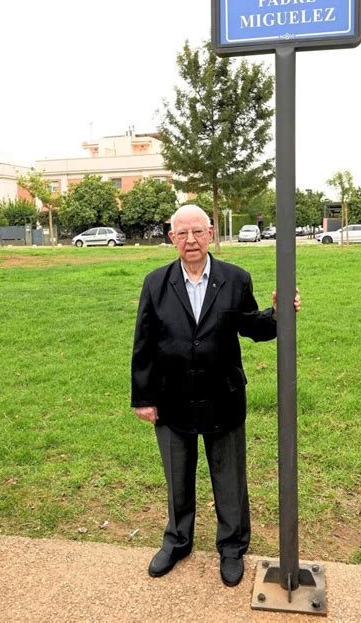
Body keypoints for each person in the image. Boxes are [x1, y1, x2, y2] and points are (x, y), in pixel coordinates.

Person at [131, 204, 300, 587]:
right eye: (182, 233)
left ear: (210, 234)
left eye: (197, 232)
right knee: (177, 476)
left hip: (222, 397)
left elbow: (250, 326)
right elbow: (143, 345)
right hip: (171, 400)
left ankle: (232, 547)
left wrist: (277, 315)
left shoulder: (235, 278)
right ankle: (177, 541)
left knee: (229, 478)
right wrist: (144, 398)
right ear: (172, 238)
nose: (190, 240)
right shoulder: (155, 283)